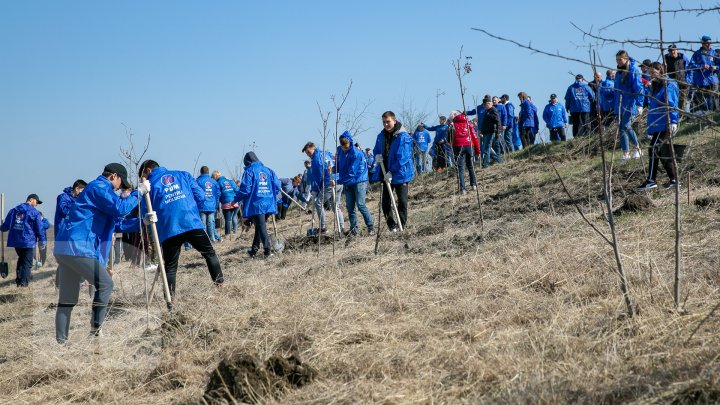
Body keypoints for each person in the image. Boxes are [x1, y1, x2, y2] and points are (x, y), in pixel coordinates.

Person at [53, 164, 140, 342]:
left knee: (67, 299)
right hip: (77, 247)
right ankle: (95, 331)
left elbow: (117, 223)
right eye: (120, 184)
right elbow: (121, 209)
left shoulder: (99, 193)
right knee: (106, 284)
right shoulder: (99, 187)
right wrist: (138, 193)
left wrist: (142, 222)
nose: (119, 188)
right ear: (113, 176)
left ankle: (61, 343)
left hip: (65, 248)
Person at [138, 159, 224, 298]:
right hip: (191, 222)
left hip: (169, 228)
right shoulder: (183, 175)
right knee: (209, 253)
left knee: (170, 267)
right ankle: (220, 285)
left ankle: (170, 302)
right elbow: (201, 196)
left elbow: (145, 213)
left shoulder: (150, 186)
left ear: (148, 171)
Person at [636, 62, 680, 191]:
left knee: (654, 148)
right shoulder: (655, 86)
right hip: (657, 124)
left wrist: (673, 121)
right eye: (649, 73)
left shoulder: (668, 84)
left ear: (660, 70)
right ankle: (674, 179)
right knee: (659, 150)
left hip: (665, 122)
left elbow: (671, 103)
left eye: (653, 72)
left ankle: (651, 180)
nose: (651, 75)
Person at [372, 111, 414, 231]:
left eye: (388, 122)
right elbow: (376, 150)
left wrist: (392, 171)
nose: (386, 124)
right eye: (384, 122)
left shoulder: (403, 137)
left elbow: (403, 158)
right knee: (385, 203)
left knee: (402, 201)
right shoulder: (381, 136)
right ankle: (392, 226)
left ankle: (402, 226)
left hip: (401, 173)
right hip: (385, 174)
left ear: (394, 121)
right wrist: (376, 156)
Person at [234, 152, 281, 258]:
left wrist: (235, 199)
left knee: (261, 227)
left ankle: (267, 251)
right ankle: (253, 251)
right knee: (260, 227)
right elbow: (277, 185)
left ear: (247, 162)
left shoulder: (249, 172)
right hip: (268, 204)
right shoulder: (269, 170)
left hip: (256, 204)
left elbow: (245, 189)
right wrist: (270, 195)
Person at [1, 194, 46, 287]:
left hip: (16, 242)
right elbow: (40, 229)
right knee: (27, 263)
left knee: (21, 260)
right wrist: (42, 241)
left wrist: (1, 227)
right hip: (27, 242)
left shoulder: (13, 211)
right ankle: (24, 284)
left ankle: (19, 282)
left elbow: (5, 227)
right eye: (36, 202)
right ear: (31, 199)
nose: (36, 204)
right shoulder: (34, 212)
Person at [337, 131, 374, 236]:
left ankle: (370, 227)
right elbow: (340, 166)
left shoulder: (356, 153)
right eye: (343, 146)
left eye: (346, 146)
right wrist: (332, 170)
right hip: (348, 183)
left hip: (359, 181)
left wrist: (338, 180)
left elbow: (352, 172)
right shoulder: (341, 151)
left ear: (350, 143)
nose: (345, 148)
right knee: (350, 207)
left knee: (361, 204)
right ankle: (354, 230)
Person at [302, 141, 344, 234]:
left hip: (329, 183)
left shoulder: (316, 159)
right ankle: (342, 228)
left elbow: (319, 176)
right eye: (307, 153)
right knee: (335, 206)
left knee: (318, 203)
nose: (308, 155)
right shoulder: (326, 153)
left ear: (314, 148)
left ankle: (323, 227)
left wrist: (315, 190)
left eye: (309, 152)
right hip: (338, 181)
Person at [614, 50, 643, 160]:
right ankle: (626, 153)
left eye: (620, 59)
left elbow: (639, 88)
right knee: (621, 128)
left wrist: (639, 104)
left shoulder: (633, 71)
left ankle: (637, 148)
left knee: (626, 126)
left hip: (630, 103)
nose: (618, 62)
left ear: (626, 59)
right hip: (619, 104)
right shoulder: (618, 72)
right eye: (616, 60)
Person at [449, 110, 481, 192]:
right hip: (469, 146)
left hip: (458, 147)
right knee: (471, 166)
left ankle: (463, 189)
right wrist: (478, 151)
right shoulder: (469, 123)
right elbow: (475, 137)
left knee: (460, 168)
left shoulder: (453, 125)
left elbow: (449, 139)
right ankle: (473, 185)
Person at [690, 35, 719, 113]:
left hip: (712, 80)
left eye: (710, 43)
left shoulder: (714, 53)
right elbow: (691, 65)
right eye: (707, 43)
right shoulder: (697, 54)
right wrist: (701, 66)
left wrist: (715, 68)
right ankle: (704, 115)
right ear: (702, 43)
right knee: (701, 100)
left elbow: (719, 65)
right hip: (701, 81)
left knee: (713, 98)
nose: (709, 45)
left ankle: (713, 114)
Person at [196, 166, 221, 243]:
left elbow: (195, 193)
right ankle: (212, 239)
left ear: (201, 172)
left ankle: (204, 241)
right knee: (211, 223)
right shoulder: (214, 182)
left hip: (201, 206)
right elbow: (218, 194)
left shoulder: (197, 181)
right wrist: (216, 205)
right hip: (211, 206)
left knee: (203, 224)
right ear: (208, 172)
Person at [564, 74, 595, 138]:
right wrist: (590, 102)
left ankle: (576, 138)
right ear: (582, 79)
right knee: (586, 123)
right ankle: (587, 137)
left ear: (575, 79)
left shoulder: (570, 88)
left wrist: (567, 107)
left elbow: (567, 98)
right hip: (585, 108)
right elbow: (592, 96)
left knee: (576, 124)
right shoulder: (586, 87)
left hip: (574, 109)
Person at [664, 44, 691, 113]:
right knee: (673, 99)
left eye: (673, 50)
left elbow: (689, 69)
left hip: (683, 82)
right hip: (671, 83)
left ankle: (684, 114)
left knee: (683, 99)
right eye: (670, 51)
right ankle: (675, 113)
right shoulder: (666, 58)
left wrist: (688, 80)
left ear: (677, 50)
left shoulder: (682, 57)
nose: (672, 52)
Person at [477, 97, 503, 169]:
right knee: (487, 149)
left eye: (485, 105)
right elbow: (485, 123)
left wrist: (498, 131)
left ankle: (485, 165)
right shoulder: (487, 111)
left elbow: (498, 121)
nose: (484, 106)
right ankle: (499, 161)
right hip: (485, 132)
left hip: (490, 132)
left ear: (488, 104)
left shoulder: (493, 110)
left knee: (486, 148)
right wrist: (481, 131)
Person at [215, 171, 240, 238]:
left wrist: (218, 202)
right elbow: (236, 189)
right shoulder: (229, 180)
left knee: (228, 220)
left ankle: (227, 234)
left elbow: (218, 194)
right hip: (235, 202)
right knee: (234, 217)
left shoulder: (218, 182)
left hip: (226, 202)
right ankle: (235, 231)